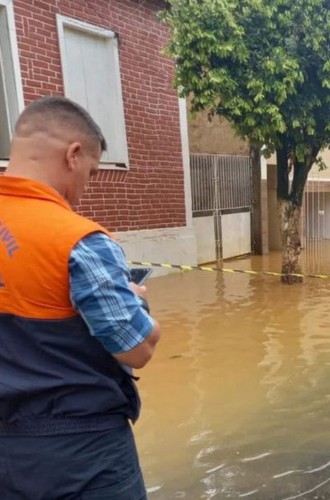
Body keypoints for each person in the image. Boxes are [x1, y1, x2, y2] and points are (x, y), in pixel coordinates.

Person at [0, 96, 161, 499]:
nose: (84, 191)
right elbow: (136, 348)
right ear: (73, 155)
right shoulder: (78, 240)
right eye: (90, 172)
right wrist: (135, 300)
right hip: (81, 453)